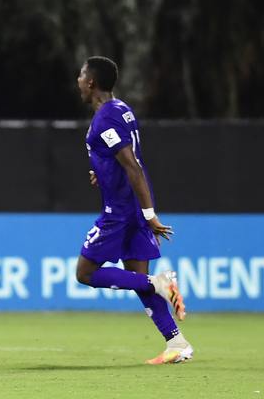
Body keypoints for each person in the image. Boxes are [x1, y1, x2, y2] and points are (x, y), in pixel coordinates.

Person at [74, 56, 192, 364]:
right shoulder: (121, 109)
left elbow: (133, 166)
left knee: (85, 273)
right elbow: (121, 156)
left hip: (121, 212)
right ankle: (177, 343)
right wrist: (102, 170)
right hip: (133, 209)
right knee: (136, 278)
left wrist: (150, 214)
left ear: (91, 83)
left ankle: (161, 283)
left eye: (81, 76)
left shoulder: (104, 119)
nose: (77, 81)